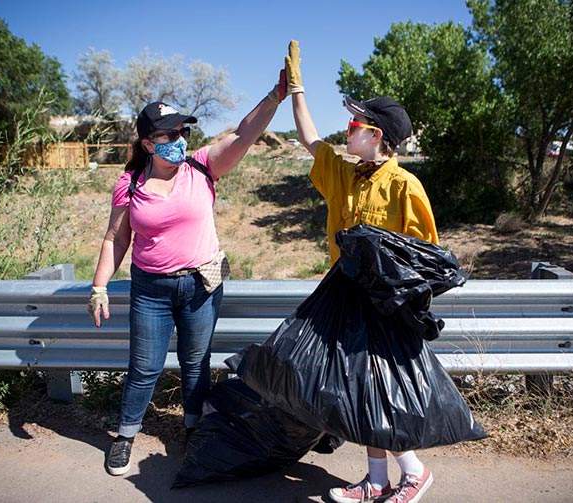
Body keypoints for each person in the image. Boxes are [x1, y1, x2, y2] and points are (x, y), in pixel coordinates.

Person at [88, 70, 287, 476]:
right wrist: (99, 287)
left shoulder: (201, 167)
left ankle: (194, 430)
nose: (179, 140)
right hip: (151, 290)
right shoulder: (129, 184)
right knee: (144, 366)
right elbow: (115, 238)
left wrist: (274, 96)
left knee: (196, 362)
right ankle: (125, 435)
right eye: (169, 134)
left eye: (182, 131)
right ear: (147, 143)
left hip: (201, 285)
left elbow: (243, 136)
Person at [285, 40, 437, 503]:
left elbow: (425, 253)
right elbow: (311, 139)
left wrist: (400, 303)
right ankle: (376, 478)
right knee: (360, 389)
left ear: (376, 137)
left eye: (354, 126)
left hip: (384, 306)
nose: (346, 132)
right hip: (344, 298)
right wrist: (297, 90)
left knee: (378, 390)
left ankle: (412, 470)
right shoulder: (343, 173)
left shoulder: (403, 184)